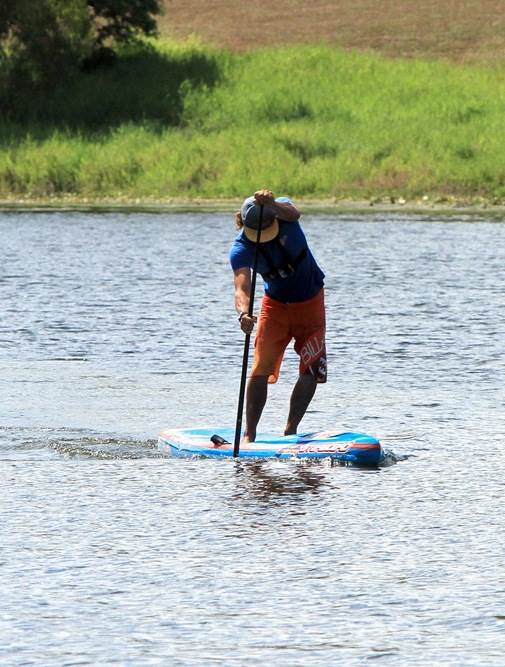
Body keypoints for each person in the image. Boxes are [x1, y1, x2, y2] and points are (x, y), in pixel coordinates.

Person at [229, 189, 326, 443]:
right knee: (260, 368)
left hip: (311, 302)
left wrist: (271, 204)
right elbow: (242, 288)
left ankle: (290, 430)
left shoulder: (283, 212)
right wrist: (244, 314)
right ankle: (250, 435)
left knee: (312, 368)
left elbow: (295, 212)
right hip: (276, 307)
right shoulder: (240, 248)